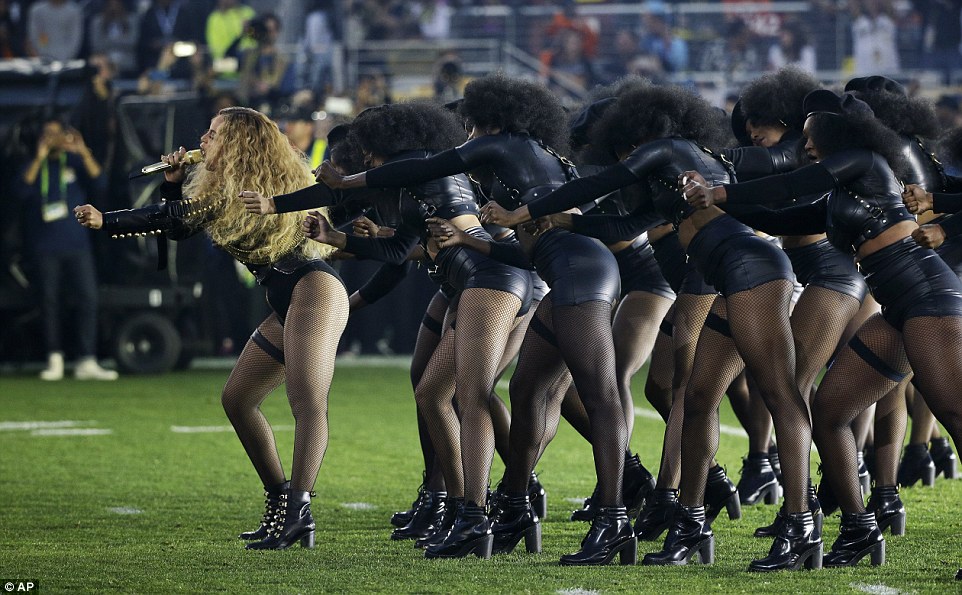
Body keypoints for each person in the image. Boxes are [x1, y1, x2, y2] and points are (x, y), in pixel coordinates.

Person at [484, 83, 816, 572]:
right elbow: (624, 227)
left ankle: (800, 523)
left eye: (625, 148)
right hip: (729, 279)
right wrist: (563, 223)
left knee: (779, 394)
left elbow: (602, 182)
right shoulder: (674, 175)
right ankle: (691, 521)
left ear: (639, 133)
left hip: (751, 271)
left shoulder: (669, 148)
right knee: (696, 399)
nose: (626, 158)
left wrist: (525, 212)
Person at [316, 74, 632, 566]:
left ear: (490, 120)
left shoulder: (500, 145)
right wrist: (480, 236)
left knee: (598, 395)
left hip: (577, 276)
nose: (466, 133)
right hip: (557, 275)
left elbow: (431, 164)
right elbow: (535, 246)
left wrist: (345, 182)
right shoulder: (543, 157)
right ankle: (514, 506)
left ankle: (611, 518)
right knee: (525, 391)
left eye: (471, 124)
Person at [683, 89, 962, 571]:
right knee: (829, 412)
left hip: (928, 296)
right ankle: (858, 528)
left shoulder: (865, 161)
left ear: (838, 133)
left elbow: (792, 185)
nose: (806, 145)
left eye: (812, 136)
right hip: (898, 308)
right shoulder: (839, 194)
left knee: (954, 414)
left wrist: (720, 192)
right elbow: (779, 215)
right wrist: (715, 205)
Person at [75, 106, 349, 551]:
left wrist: (108, 220)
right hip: (287, 301)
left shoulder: (250, 189)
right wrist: (172, 183)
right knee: (237, 400)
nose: (203, 139)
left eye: (214, 134)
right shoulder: (220, 189)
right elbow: (180, 224)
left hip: (314, 290)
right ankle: (280, 500)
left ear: (239, 145)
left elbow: (171, 219)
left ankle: (299, 512)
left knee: (306, 402)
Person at [19, 116, 117, 382]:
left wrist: (83, 151)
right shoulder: (35, 165)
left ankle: (87, 359)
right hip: (45, 247)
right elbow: (21, 191)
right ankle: (55, 357)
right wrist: (39, 157)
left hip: (77, 245)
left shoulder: (73, 162)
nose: (52, 139)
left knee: (88, 298)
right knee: (50, 302)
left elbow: (100, 182)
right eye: (47, 134)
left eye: (56, 133)